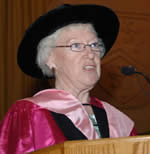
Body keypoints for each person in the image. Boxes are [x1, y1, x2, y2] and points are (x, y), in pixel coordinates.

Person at [0, 4, 136, 154]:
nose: (91, 54)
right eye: (76, 45)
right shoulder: (30, 114)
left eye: (94, 45)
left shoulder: (119, 121)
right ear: (49, 58)